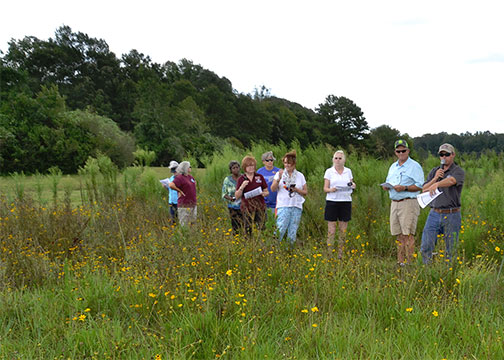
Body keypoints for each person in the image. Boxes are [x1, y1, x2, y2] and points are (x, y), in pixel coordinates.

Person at [420, 143, 465, 264]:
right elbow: (424, 189)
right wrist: (435, 179)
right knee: (426, 245)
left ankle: (450, 274)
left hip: (452, 214)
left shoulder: (458, 171)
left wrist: (438, 184)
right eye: (441, 154)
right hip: (434, 213)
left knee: (451, 248)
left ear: (453, 155)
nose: (444, 157)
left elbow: (451, 181)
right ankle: (427, 272)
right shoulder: (435, 171)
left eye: (447, 154)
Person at [382, 139, 424, 266]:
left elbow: (420, 185)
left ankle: (410, 263)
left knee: (408, 234)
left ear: (408, 151)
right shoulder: (393, 167)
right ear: (395, 152)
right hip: (394, 202)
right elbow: (389, 181)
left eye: (403, 150)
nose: (401, 153)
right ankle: (400, 262)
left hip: (408, 202)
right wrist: (387, 186)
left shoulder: (415, 166)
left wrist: (404, 188)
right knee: (398, 234)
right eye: (398, 151)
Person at [323, 150, 356, 258]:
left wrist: (353, 185)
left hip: (345, 201)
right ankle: (329, 253)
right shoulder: (329, 171)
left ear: (344, 160)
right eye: (336, 158)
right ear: (333, 159)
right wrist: (331, 189)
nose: (337, 160)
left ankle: (340, 254)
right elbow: (325, 188)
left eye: (340, 158)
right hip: (332, 201)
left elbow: (351, 183)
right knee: (331, 229)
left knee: (343, 230)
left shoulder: (348, 171)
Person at [271, 150, 308, 245]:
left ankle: (289, 252)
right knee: (280, 228)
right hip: (283, 205)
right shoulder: (280, 174)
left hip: (296, 206)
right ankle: (274, 250)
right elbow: (273, 189)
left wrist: (296, 190)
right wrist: (278, 178)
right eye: (285, 163)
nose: (287, 165)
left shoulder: (300, 176)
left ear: (294, 164)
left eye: (289, 163)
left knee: (293, 231)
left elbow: (305, 192)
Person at [235, 155, 269, 235]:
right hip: (247, 208)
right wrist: (242, 187)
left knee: (263, 229)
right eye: (249, 166)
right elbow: (237, 196)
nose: (251, 168)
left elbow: (266, 191)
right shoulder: (241, 179)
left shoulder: (259, 177)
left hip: (260, 207)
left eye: (253, 165)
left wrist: (264, 194)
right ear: (244, 167)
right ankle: (249, 245)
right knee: (248, 230)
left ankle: (262, 245)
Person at [169, 161, 197, 227]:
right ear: (185, 168)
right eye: (189, 166)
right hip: (184, 205)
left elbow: (194, 184)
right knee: (184, 225)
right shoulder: (180, 178)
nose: (190, 168)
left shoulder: (190, 177)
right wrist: (179, 191)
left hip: (193, 204)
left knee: (193, 224)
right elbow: (171, 185)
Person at [222, 160, 243, 235]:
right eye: (234, 168)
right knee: (235, 226)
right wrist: (230, 198)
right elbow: (224, 193)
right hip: (232, 206)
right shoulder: (227, 180)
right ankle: (236, 240)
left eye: (237, 167)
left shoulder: (243, 177)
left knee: (245, 225)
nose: (236, 169)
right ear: (230, 170)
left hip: (243, 205)